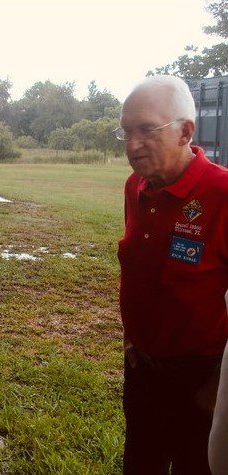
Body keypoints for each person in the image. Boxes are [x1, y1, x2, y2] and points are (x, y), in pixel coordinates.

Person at [116, 75, 228, 475]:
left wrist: (217, 388)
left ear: (185, 132)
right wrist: (132, 339)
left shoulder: (222, 194)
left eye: (147, 130)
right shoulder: (135, 186)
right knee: (140, 462)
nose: (133, 146)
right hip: (143, 368)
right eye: (126, 131)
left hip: (201, 379)